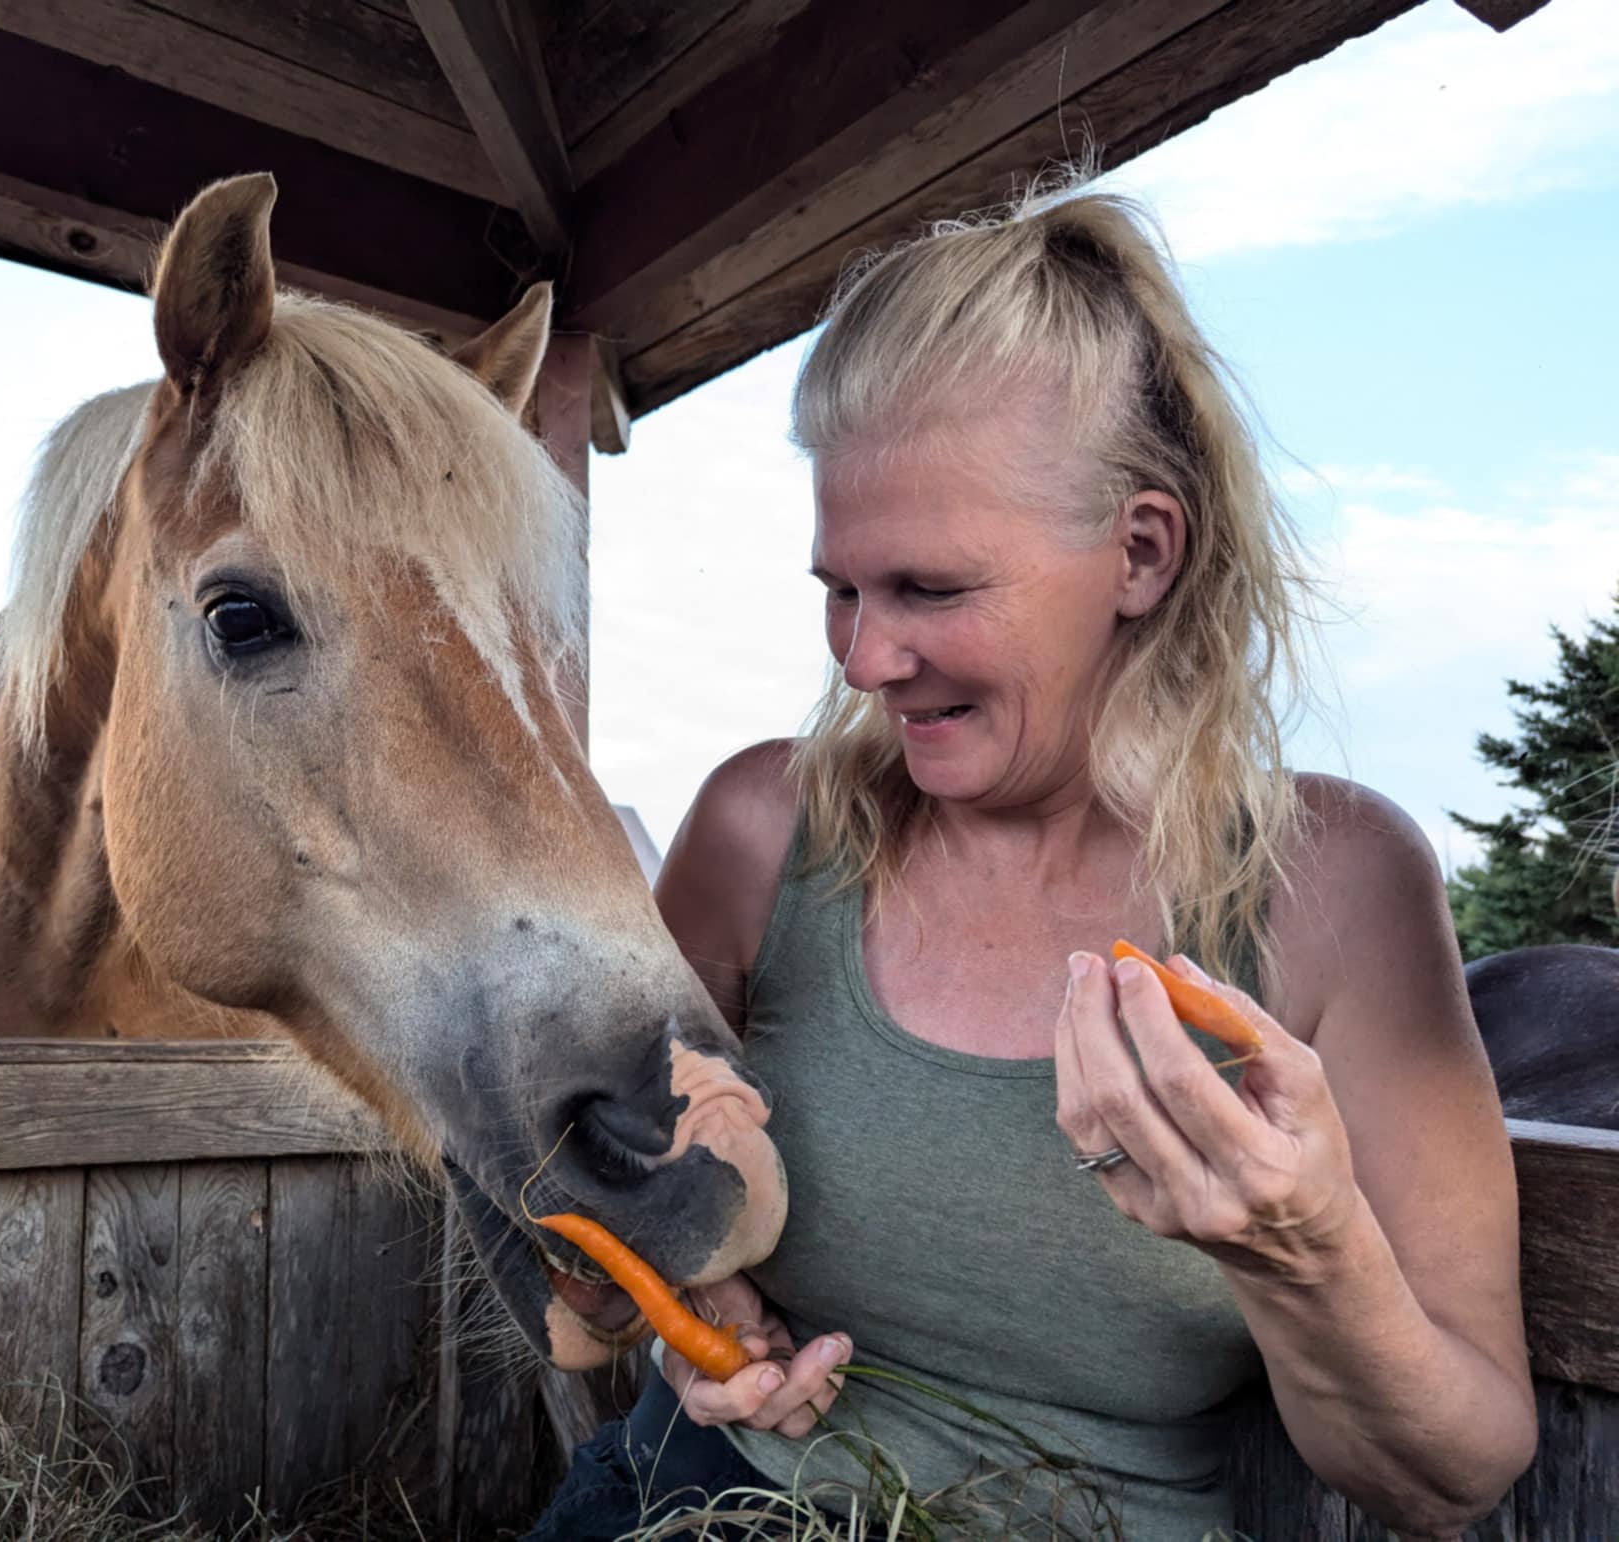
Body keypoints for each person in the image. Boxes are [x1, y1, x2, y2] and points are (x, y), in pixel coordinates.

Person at [524, 186, 1535, 1539]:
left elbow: (1455, 1469)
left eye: (930, 589)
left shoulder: (1337, 888)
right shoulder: (764, 829)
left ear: (1140, 552)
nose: (865, 659)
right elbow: (602, 1172)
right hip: (702, 1504)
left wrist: (1307, 1254)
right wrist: (690, 1309)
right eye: (841, 586)